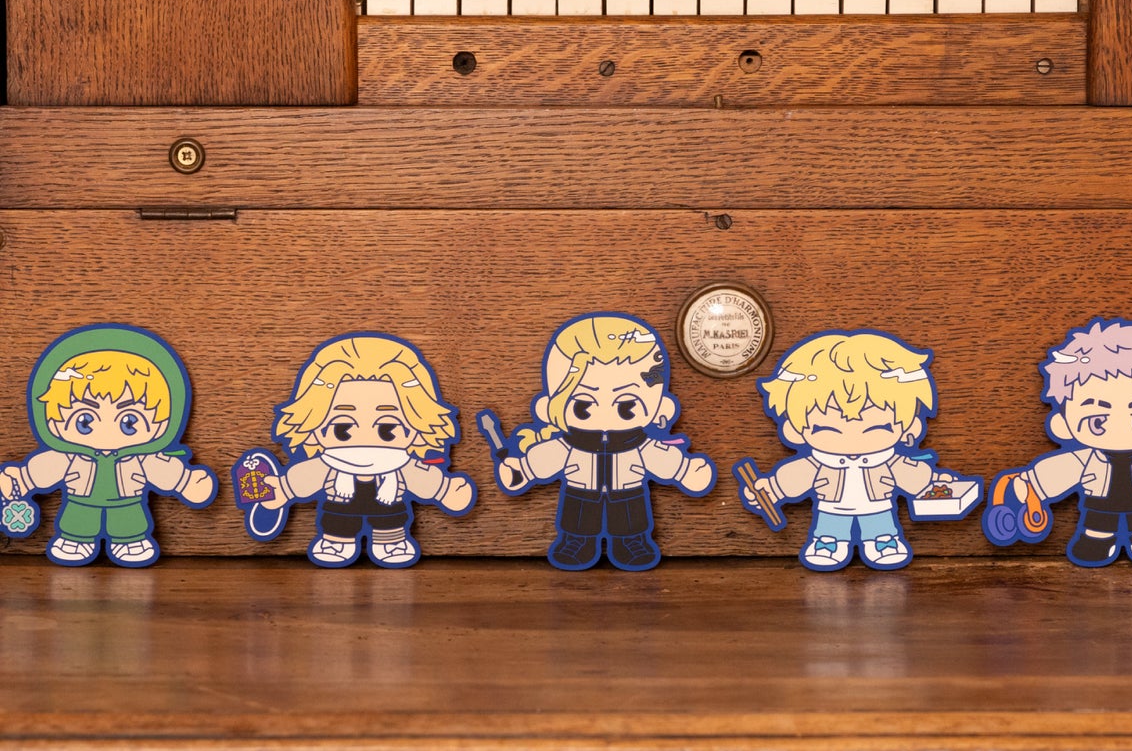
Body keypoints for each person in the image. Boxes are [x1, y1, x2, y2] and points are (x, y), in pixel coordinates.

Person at [982, 318, 1132, 567]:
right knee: (1096, 532)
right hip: (1098, 509)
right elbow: (1058, 472)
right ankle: (1097, 541)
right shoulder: (1084, 459)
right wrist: (1030, 485)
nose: (1120, 429)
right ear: (1062, 424)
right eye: (1097, 421)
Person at [738, 330, 979, 572]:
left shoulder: (889, 461)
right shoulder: (816, 464)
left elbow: (911, 476)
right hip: (831, 510)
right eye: (828, 428)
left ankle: (883, 543)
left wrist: (933, 482)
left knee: (880, 527)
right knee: (830, 530)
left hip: (878, 508)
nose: (852, 435)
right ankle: (828, 544)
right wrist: (771, 490)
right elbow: (795, 477)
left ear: (910, 427)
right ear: (793, 430)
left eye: (877, 427)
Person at [489, 313, 715, 571]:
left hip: (628, 493)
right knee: (578, 520)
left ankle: (631, 542)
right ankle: (576, 542)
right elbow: (545, 459)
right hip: (580, 493)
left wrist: (685, 470)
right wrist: (522, 470)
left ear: (660, 407)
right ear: (549, 406)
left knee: (630, 521)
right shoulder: (567, 445)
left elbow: (662, 459)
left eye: (627, 405)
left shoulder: (641, 446)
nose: (605, 414)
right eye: (583, 405)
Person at [249, 333, 474, 567]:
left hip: (390, 515)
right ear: (313, 426)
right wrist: (283, 490)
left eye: (387, 429)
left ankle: (391, 543)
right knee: (338, 523)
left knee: (390, 522)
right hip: (339, 514)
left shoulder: (403, 466)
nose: (365, 442)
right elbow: (304, 477)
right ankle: (336, 542)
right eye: (342, 428)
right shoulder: (326, 465)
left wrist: (445, 491)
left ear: (418, 427)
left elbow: (424, 480)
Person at [0, 323, 216, 566]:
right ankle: (75, 539)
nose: (105, 432)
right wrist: (20, 480)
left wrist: (186, 482)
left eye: (129, 422)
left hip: (128, 504)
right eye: (85, 421)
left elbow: (162, 471)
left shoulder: (141, 459)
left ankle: (130, 540)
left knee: (130, 521)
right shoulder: (69, 457)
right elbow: (45, 469)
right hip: (80, 503)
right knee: (77, 519)